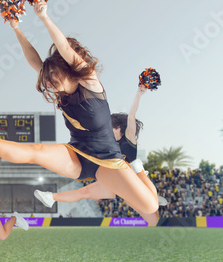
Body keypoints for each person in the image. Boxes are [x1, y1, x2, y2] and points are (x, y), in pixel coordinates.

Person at [0, 0, 160, 224]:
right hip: (77, 154)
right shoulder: (61, 93)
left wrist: (43, 17)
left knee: (151, 205)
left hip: (108, 159)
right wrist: (15, 27)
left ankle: (138, 170)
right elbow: (34, 60)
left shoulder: (90, 82)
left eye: (53, 77)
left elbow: (66, 49)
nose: (49, 83)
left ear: (66, 70)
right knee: (37, 152)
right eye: (46, 79)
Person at [33, 85, 161, 208]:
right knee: (84, 192)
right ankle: (51, 197)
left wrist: (138, 94)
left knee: (150, 204)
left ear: (120, 128)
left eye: (111, 129)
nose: (107, 132)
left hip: (134, 177)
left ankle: (147, 189)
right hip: (116, 180)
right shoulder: (105, 144)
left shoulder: (129, 139)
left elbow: (131, 116)